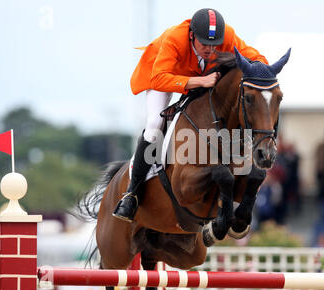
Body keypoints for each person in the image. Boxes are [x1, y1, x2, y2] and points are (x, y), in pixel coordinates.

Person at [113, 8, 269, 222]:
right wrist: (199, 82)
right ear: (192, 35)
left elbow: (255, 57)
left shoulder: (228, 36)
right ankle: (131, 193)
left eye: (214, 44)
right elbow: (160, 78)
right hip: (165, 75)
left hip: (201, 74)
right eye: (204, 44)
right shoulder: (174, 37)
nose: (210, 49)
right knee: (155, 122)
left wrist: (263, 70)